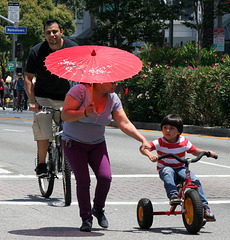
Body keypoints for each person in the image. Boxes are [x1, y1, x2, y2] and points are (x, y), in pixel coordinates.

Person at [61, 82, 151, 232]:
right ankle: (86, 218)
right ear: (99, 80)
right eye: (112, 81)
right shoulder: (80, 91)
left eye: (116, 81)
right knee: (83, 181)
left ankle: (98, 208)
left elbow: (124, 123)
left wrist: (142, 139)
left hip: (97, 144)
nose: (116, 84)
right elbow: (65, 114)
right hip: (74, 143)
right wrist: (83, 113)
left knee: (105, 177)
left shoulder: (113, 98)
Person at [24, 19, 78, 177]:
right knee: (43, 130)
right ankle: (41, 164)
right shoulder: (37, 51)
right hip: (43, 98)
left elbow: (82, 71)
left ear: (62, 31)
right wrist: (33, 101)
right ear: (45, 35)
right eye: (48, 32)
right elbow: (28, 77)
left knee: (74, 132)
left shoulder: (73, 48)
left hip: (68, 97)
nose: (52, 35)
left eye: (54, 31)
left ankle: (72, 161)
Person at [140, 114, 216, 222]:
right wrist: (150, 154)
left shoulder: (183, 141)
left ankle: (204, 208)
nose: (167, 131)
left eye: (172, 128)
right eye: (165, 127)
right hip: (165, 168)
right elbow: (144, 148)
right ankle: (173, 196)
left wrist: (207, 152)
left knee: (194, 181)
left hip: (180, 168)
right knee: (168, 171)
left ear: (179, 131)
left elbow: (194, 151)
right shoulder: (160, 142)